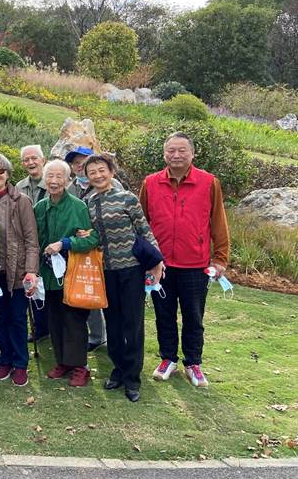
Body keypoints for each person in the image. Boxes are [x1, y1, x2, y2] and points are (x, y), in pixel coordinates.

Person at [139, 132, 230, 388]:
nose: (176, 155)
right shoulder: (151, 183)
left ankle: (193, 363)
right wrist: (145, 258)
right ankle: (168, 358)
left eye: (182, 150)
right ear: (164, 154)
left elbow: (218, 222)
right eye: (171, 151)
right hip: (160, 265)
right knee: (163, 315)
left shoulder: (208, 182)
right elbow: (141, 223)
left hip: (196, 265)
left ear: (192, 153)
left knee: (194, 316)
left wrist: (220, 259)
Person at [85, 154, 163, 402]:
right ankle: (118, 369)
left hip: (131, 269)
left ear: (111, 172)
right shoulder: (88, 202)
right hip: (105, 271)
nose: (98, 175)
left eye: (102, 170)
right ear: (87, 177)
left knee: (133, 324)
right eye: (92, 172)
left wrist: (157, 262)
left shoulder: (127, 198)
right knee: (113, 323)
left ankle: (132, 377)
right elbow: (90, 235)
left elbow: (144, 230)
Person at [34, 159, 99, 387]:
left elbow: (92, 238)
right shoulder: (40, 207)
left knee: (74, 320)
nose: (53, 181)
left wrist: (65, 243)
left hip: (73, 272)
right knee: (55, 320)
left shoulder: (77, 207)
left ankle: (80, 366)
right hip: (49, 274)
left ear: (67, 180)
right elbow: (34, 239)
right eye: (50, 176)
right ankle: (63, 362)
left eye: (59, 176)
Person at [0, 149, 39, 387]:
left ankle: (20, 364)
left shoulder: (21, 201)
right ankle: (5, 359)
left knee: (17, 319)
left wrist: (31, 270)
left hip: (17, 271)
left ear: (7, 173)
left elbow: (31, 240)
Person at [65, 145, 123, 353]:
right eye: (76, 163)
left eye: (84, 162)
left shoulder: (113, 184)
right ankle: (97, 336)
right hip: (85, 249)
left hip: (112, 250)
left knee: (113, 297)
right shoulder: (71, 187)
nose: (80, 166)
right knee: (89, 289)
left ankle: (117, 340)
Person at [15, 144, 49, 342]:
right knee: (34, 283)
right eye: (26, 160)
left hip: (50, 242)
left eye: (34, 158)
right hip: (30, 243)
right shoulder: (19, 187)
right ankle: (40, 327)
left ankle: (55, 326)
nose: (30, 162)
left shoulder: (53, 180)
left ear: (43, 160)